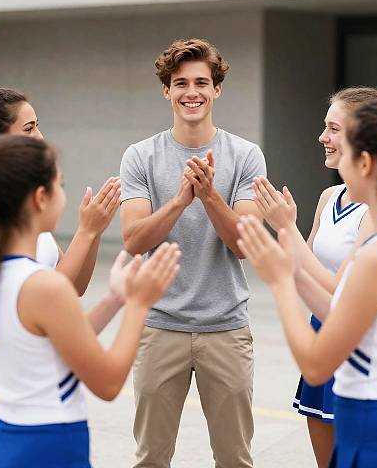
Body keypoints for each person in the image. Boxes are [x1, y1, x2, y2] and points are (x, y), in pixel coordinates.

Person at [0, 135, 181, 467]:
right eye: (60, 185)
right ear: (40, 198)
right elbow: (108, 383)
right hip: (44, 448)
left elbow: (55, 340)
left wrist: (115, 299)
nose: (64, 196)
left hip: (4, 441)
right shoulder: (43, 286)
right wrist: (139, 305)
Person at [238, 97, 377, 467]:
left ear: (365, 163)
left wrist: (282, 282)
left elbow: (316, 365)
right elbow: (337, 310)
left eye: (343, 148)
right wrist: (287, 268)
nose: (332, 151)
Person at [0, 88, 120, 450]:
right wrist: (86, 230)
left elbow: (72, 287)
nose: (39, 136)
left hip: (34, 367)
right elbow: (41, 295)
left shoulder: (23, 212)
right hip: (5, 373)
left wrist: (94, 232)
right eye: (29, 128)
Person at [120, 38, 266, 468]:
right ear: (166, 90)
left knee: (235, 458)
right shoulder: (140, 156)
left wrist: (209, 196)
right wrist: (181, 200)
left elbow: (244, 244)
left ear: (217, 89)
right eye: (180, 83)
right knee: (150, 459)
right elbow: (133, 240)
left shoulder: (245, 155)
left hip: (226, 328)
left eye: (202, 82)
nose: (192, 92)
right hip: (159, 327)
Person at [251, 87, 377, 466]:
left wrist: (287, 229)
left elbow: (340, 292)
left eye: (332, 128)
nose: (322, 137)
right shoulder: (330, 198)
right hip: (320, 333)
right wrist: (279, 235)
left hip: (358, 346)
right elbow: (302, 265)